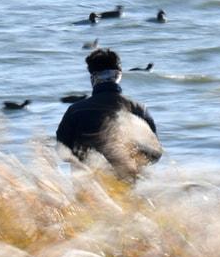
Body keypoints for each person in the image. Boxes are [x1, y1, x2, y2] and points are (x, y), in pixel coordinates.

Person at [56, 48, 162, 180]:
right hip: (126, 186)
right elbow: (154, 154)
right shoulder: (138, 109)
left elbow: (62, 152)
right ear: (119, 75)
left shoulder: (76, 110)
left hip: (87, 189)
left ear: (92, 78)